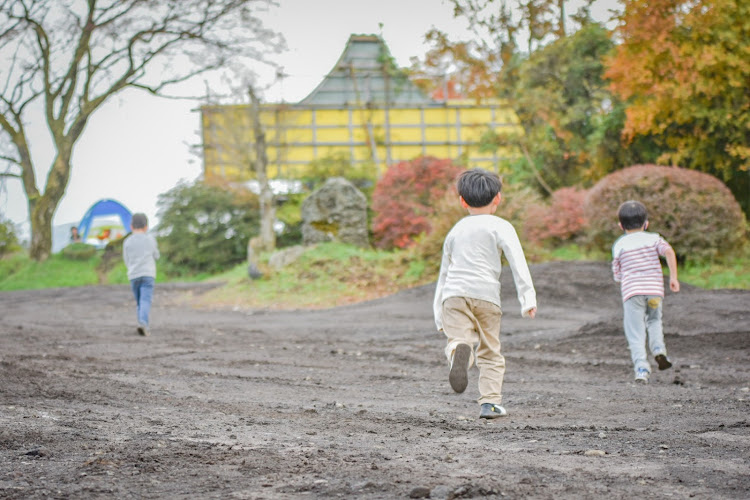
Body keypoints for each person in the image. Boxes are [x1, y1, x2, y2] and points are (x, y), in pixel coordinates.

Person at [433, 168, 537, 419]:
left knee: (457, 339)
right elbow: (517, 262)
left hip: (454, 295)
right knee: (490, 350)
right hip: (487, 296)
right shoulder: (501, 226)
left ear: (462, 201)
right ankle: (490, 403)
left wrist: (438, 313)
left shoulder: (456, 230)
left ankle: (459, 350)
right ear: (498, 198)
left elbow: (444, 273)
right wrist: (528, 299)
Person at [612, 200, 680, 384]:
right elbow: (669, 252)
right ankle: (659, 350)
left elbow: (617, 273)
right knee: (654, 320)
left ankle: (641, 368)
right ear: (646, 223)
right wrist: (673, 277)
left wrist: (622, 277)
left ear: (621, 225)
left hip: (632, 293)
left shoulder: (620, 244)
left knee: (635, 330)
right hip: (654, 292)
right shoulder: (654, 238)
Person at [123, 213, 160, 337]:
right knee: (145, 300)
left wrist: (131, 269)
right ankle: (143, 323)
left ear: (131, 226)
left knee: (139, 301)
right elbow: (156, 255)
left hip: (133, 274)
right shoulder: (150, 239)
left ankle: (141, 322)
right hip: (148, 273)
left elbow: (126, 259)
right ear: (146, 227)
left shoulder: (127, 241)